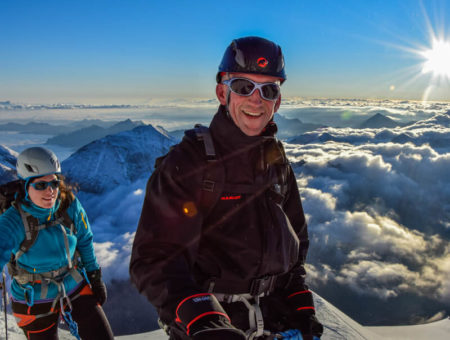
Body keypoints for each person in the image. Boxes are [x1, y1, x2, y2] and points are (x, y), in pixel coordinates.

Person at [130, 36, 323, 340]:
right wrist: (202, 318)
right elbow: (153, 259)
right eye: (244, 87)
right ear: (222, 92)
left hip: (274, 322)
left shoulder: (276, 160)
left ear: (278, 101)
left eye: (268, 89)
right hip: (206, 326)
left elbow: (296, 239)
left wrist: (299, 302)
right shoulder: (188, 163)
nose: (256, 100)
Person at [0, 146, 114, 340]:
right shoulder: (14, 219)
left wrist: (94, 275)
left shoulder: (68, 205)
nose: (50, 191)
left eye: (54, 183)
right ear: (25, 186)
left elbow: (84, 239)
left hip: (72, 283)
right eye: (41, 185)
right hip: (33, 297)